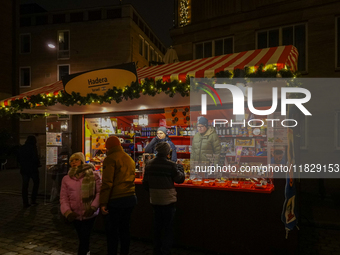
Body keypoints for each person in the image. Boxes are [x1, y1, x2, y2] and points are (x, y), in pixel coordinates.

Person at [143, 142, 185, 255]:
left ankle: (156, 250)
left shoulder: (149, 164)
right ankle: (165, 251)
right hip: (168, 200)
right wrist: (180, 167)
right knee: (167, 228)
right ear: (167, 152)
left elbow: (145, 183)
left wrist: (154, 190)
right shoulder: (171, 165)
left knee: (157, 227)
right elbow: (180, 179)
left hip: (155, 199)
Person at [100, 136, 137, 255]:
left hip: (116, 199)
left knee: (112, 232)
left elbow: (107, 183)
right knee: (125, 229)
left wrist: (103, 203)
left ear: (108, 146)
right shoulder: (129, 158)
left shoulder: (110, 159)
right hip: (130, 197)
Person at [60, 152, 101, 255]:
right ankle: (87, 252)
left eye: (76, 160)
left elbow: (100, 193)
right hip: (75, 214)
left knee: (84, 238)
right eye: (72, 161)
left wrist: (93, 207)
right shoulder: (66, 179)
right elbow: (63, 197)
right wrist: (67, 212)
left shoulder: (93, 174)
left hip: (89, 213)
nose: (74, 162)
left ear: (82, 161)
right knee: (82, 238)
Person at [18, 135, 41, 208]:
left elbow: (18, 158)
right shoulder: (33, 148)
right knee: (36, 183)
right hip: (32, 169)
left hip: (24, 169)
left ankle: (25, 202)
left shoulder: (22, 147)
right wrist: (38, 164)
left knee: (25, 186)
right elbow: (35, 158)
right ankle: (33, 200)